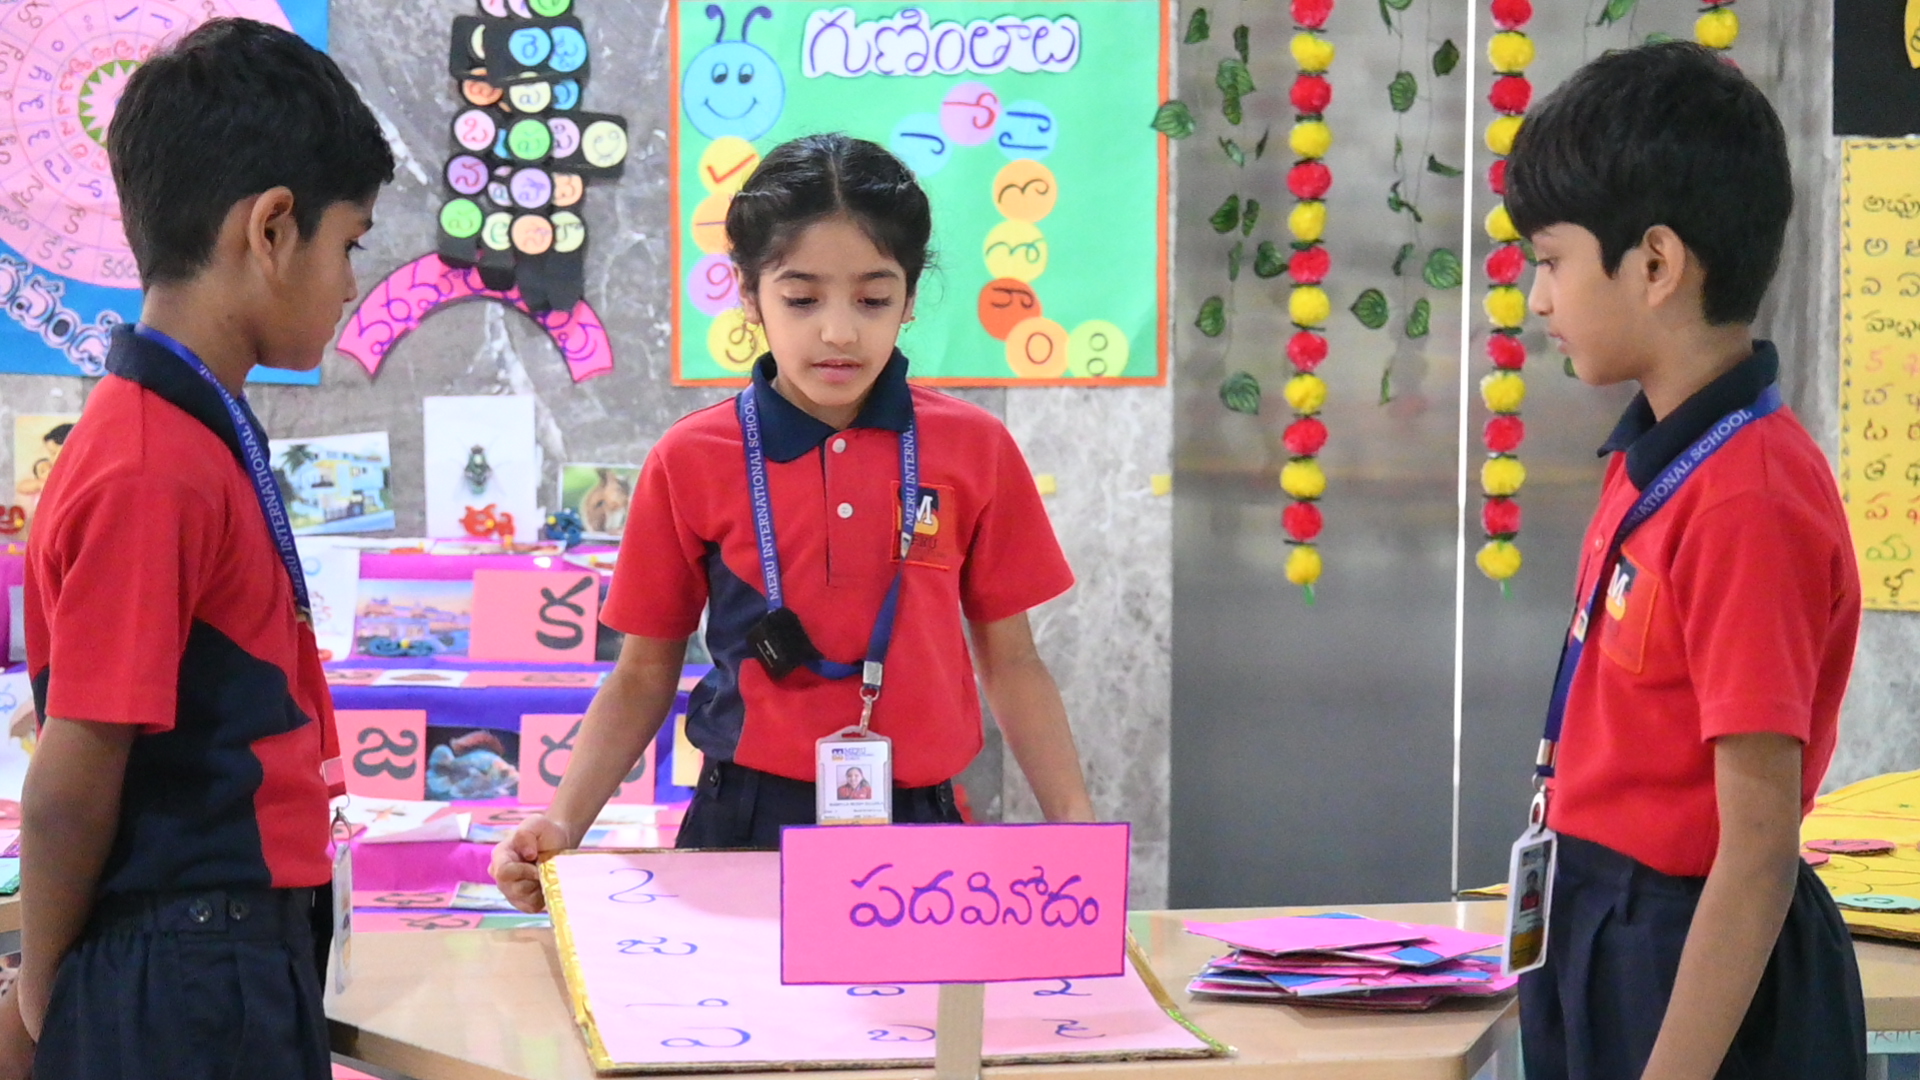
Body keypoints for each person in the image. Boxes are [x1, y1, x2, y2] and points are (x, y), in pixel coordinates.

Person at [493, 134, 1096, 911]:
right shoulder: (692, 458)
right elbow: (643, 674)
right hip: (743, 825)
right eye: (802, 298)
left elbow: (1012, 662)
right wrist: (563, 822)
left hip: (922, 829)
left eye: (873, 299)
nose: (839, 331)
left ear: (911, 298)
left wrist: (1076, 827)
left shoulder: (973, 448)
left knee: (917, 1000)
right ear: (749, 296)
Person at [7, 19, 393, 1080]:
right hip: (182, 966)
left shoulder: (195, 427)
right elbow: (75, 772)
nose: (350, 283)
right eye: (349, 244)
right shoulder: (151, 462)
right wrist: (40, 998)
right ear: (271, 228)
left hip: (222, 944)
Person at [1505, 42, 1865, 1080]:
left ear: (1656, 265)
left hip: (1694, 958)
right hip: (1599, 914)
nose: (1538, 299)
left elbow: (1754, 857)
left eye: (1551, 261)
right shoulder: (1655, 457)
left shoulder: (1750, 497)